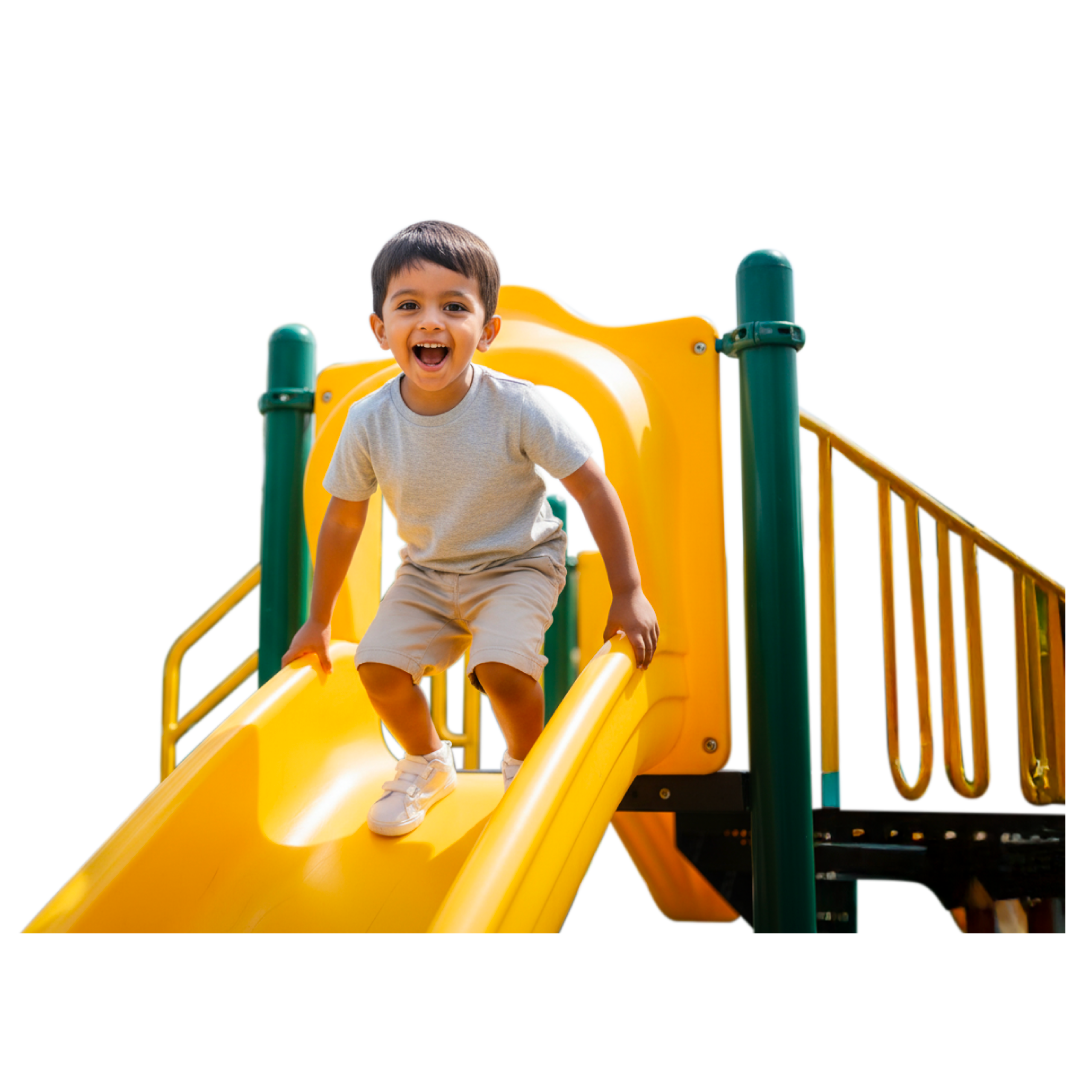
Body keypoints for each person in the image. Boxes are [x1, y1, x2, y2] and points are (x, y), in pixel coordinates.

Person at [281, 218, 659, 837]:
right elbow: (344, 517)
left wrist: (628, 590)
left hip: (517, 564)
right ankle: (428, 763)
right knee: (377, 667)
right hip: (427, 572)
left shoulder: (515, 405)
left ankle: (527, 763)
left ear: (485, 332)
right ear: (381, 329)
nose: (430, 322)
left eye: (453, 306)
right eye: (409, 306)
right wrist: (318, 620)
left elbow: (591, 485)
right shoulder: (369, 420)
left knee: (501, 668)